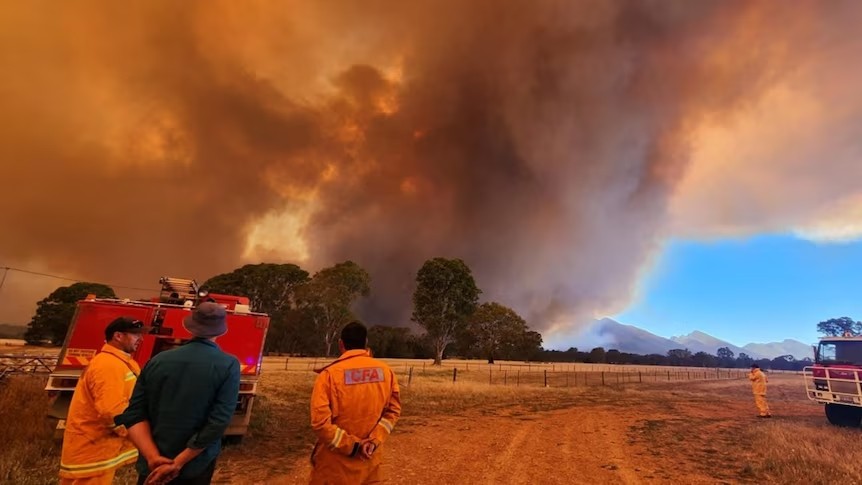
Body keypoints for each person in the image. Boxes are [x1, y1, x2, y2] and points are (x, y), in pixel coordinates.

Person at [115, 302, 240, 485]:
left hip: (153, 467)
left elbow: (134, 414)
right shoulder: (228, 365)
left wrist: (153, 458)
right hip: (195, 465)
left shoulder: (157, 361)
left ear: (190, 326)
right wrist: (177, 463)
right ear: (221, 331)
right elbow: (218, 422)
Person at [59, 317, 154, 484]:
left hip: (97, 447)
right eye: (135, 334)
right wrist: (138, 433)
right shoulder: (108, 366)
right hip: (92, 448)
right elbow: (112, 411)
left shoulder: (120, 361)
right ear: (118, 336)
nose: (141, 339)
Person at [309, 321, 402, 484]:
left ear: (340, 344)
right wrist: (374, 440)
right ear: (365, 343)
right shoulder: (386, 372)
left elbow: (320, 424)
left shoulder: (329, 376)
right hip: (370, 463)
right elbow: (393, 412)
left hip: (334, 469)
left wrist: (354, 446)